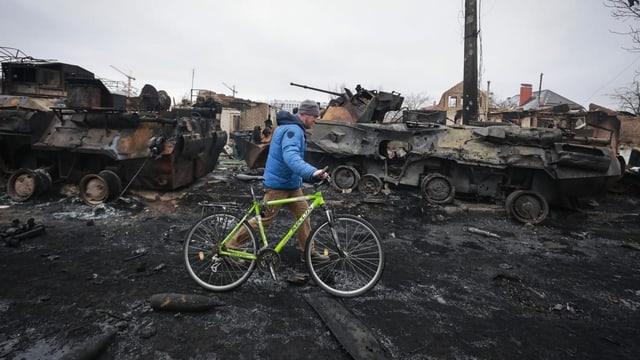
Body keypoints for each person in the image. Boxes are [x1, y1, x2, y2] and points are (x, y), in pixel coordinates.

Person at [227, 99, 329, 262]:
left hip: (291, 184)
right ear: (304, 115)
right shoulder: (293, 130)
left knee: (304, 214)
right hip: (278, 186)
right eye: (314, 116)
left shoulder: (292, 128)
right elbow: (291, 158)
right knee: (263, 221)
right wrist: (312, 172)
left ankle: (308, 253)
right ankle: (231, 247)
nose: (316, 120)